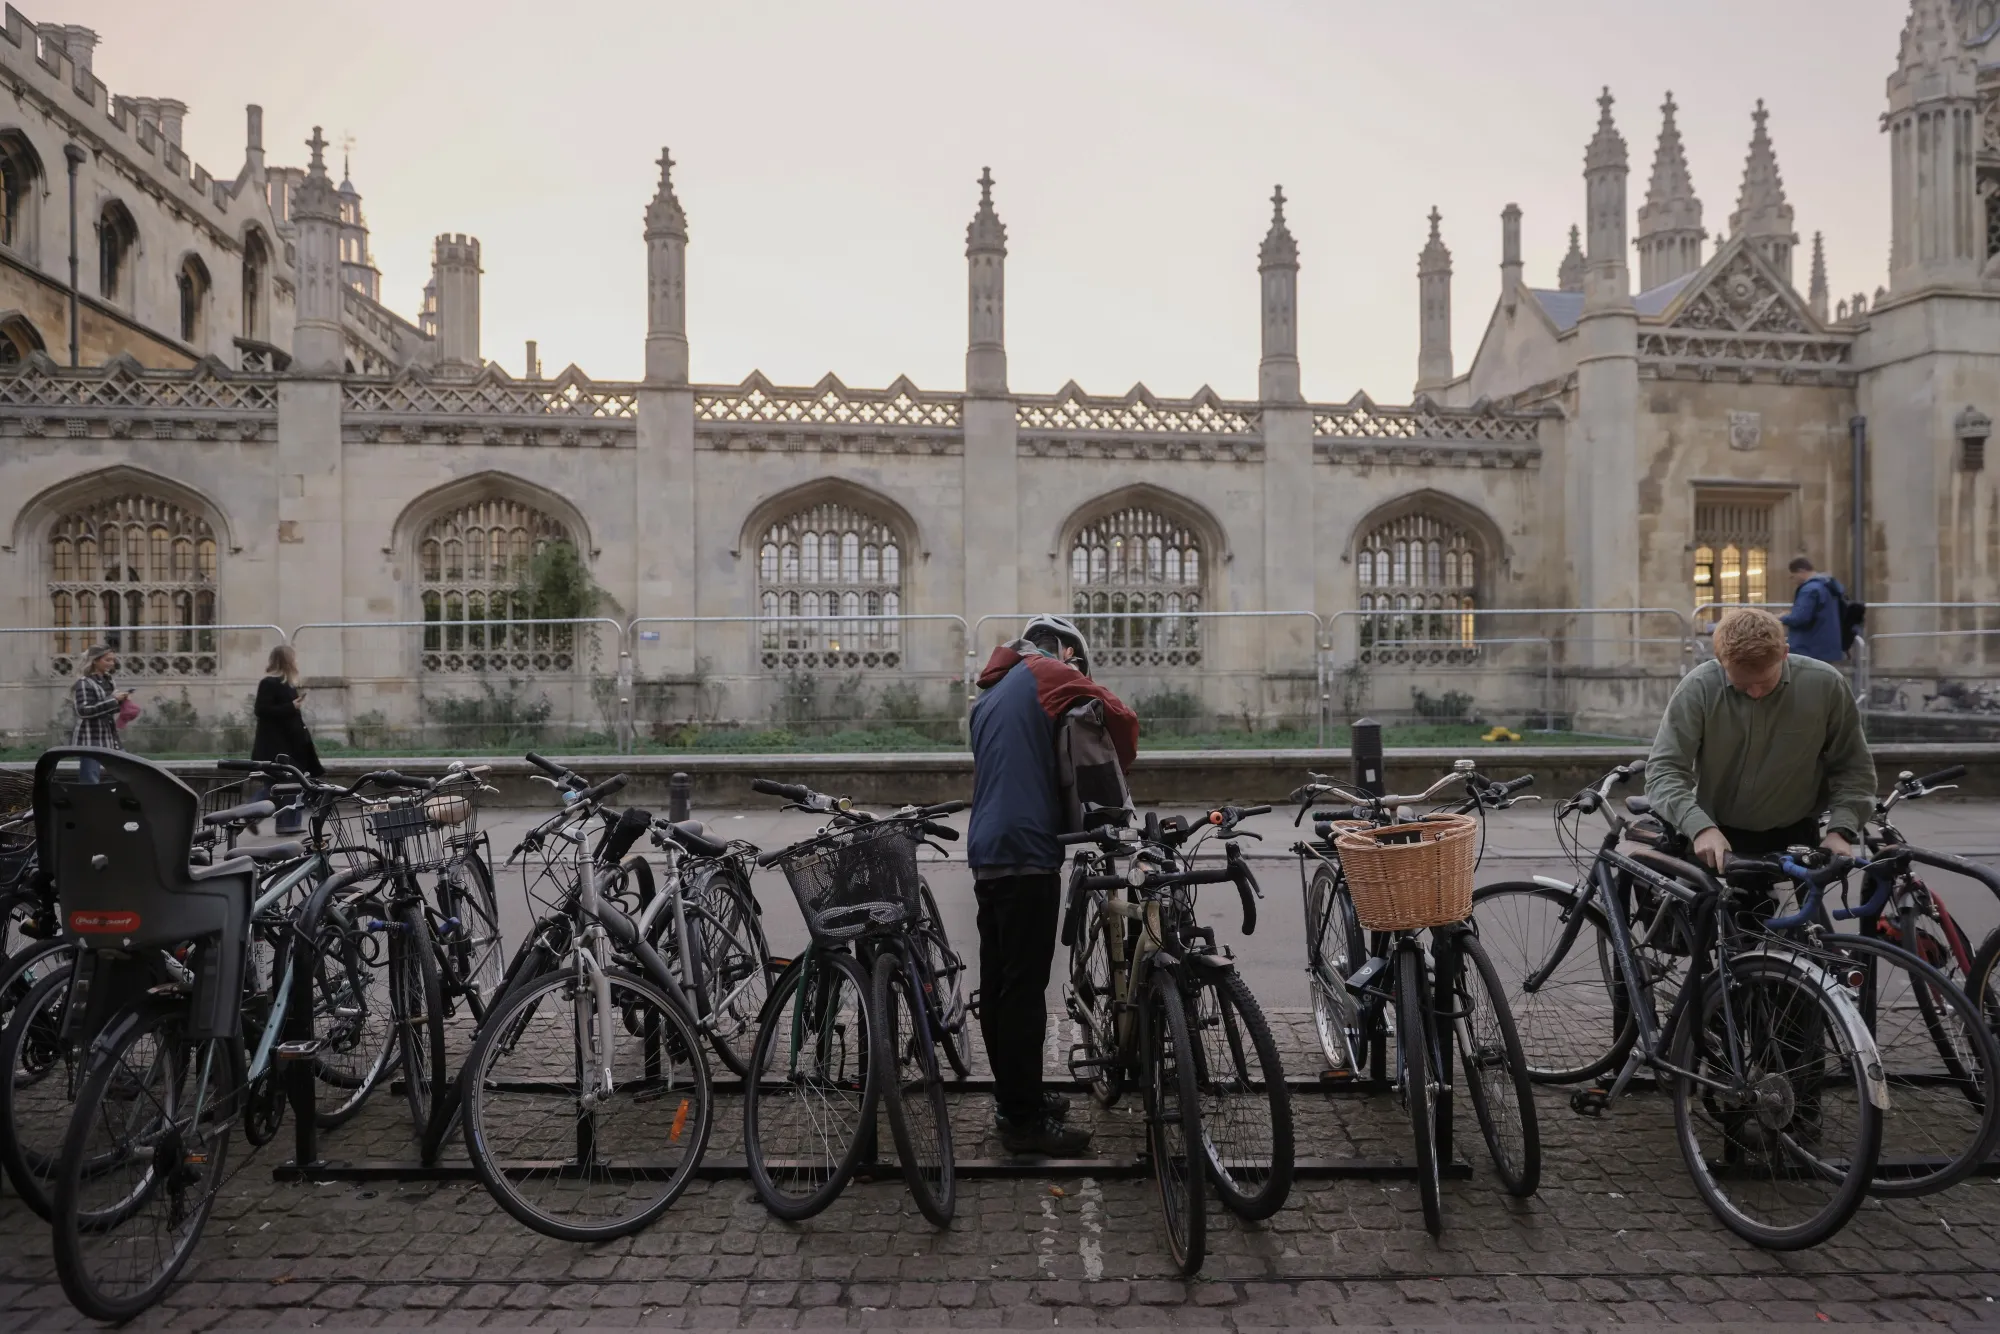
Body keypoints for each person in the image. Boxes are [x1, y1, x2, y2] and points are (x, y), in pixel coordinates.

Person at [968, 613, 1137, 1156]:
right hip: (1026, 850)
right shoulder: (1045, 671)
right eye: (1076, 661)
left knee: (999, 985)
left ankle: (1017, 1097)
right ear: (1064, 649)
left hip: (988, 847)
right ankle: (1023, 1124)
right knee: (1023, 992)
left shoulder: (989, 696)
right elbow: (1119, 716)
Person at [1647, 607, 1875, 875]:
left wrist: (1841, 831)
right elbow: (1664, 771)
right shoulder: (1698, 688)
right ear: (1720, 662)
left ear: (1784, 653)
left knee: (1802, 918)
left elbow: (1853, 767)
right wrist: (1700, 827)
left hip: (1796, 835)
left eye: (1765, 682)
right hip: (1715, 832)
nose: (1755, 692)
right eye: (1743, 685)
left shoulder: (1825, 685)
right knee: (1707, 913)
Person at [252, 645, 324, 792]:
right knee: (284, 792)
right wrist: (290, 707)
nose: (296, 662)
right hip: (277, 751)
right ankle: (246, 812)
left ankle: (248, 812)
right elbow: (262, 710)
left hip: (292, 751)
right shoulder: (269, 683)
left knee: (286, 793)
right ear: (287, 661)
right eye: (294, 659)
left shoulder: (288, 685)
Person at [69, 645, 130, 783]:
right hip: (90, 737)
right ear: (95, 661)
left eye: (113, 660)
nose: (111, 664)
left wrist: (122, 701)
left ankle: (115, 799)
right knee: (90, 779)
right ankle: (88, 802)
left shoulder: (108, 680)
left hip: (109, 735)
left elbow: (109, 708)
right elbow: (83, 711)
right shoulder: (84, 683)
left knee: (127, 771)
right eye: (107, 660)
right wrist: (114, 700)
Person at [1779, 556, 1847, 664]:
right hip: (1826, 647)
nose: (1793, 581)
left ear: (1801, 571)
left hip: (1809, 648)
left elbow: (1800, 618)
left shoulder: (1809, 590)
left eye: (1793, 577)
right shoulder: (1826, 586)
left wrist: (1782, 617)